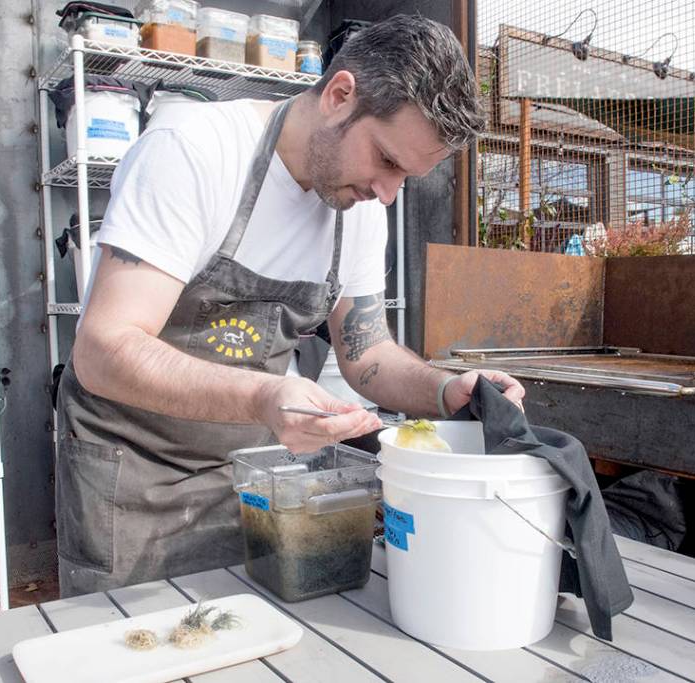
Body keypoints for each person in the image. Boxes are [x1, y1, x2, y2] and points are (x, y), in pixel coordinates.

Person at [54, 14, 525, 597]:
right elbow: (103, 350)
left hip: (254, 478)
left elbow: (368, 354)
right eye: (386, 160)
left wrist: (445, 390)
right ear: (339, 94)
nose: (387, 192)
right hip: (133, 480)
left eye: (407, 176)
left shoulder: (360, 212)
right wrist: (264, 395)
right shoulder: (195, 152)